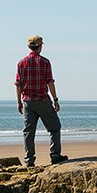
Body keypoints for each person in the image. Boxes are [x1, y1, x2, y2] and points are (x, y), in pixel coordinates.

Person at [15, 34, 68, 168]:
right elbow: (50, 82)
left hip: (28, 101)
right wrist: (56, 100)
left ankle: (29, 160)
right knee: (55, 128)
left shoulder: (21, 62)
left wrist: (19, 102)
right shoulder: (45, 62)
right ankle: (55, 156)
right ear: (40, 47)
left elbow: (18, 84)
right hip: (42, 100)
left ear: (29, 47)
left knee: (28, 131)